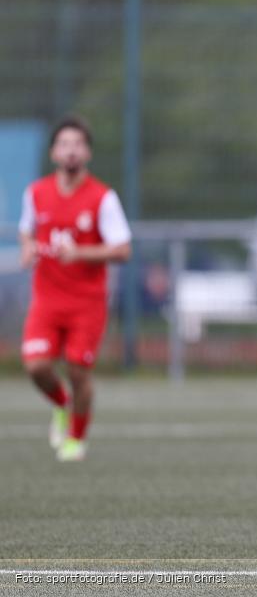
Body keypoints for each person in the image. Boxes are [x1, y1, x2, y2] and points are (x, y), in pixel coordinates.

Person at [19, 116, 132, 462]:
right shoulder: (36, 193)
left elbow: (123, 250)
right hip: (46, 300)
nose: (71, 150)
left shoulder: (102, 198)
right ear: (54, 152)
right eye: (64, 144)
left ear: (88, 153)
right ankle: (62, 404)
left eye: (78, 144)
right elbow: (26, 230)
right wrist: (27, 246)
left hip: (87, 302)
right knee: (37, 367)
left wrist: (80, 253)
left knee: (77, 371)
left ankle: (75, 439)